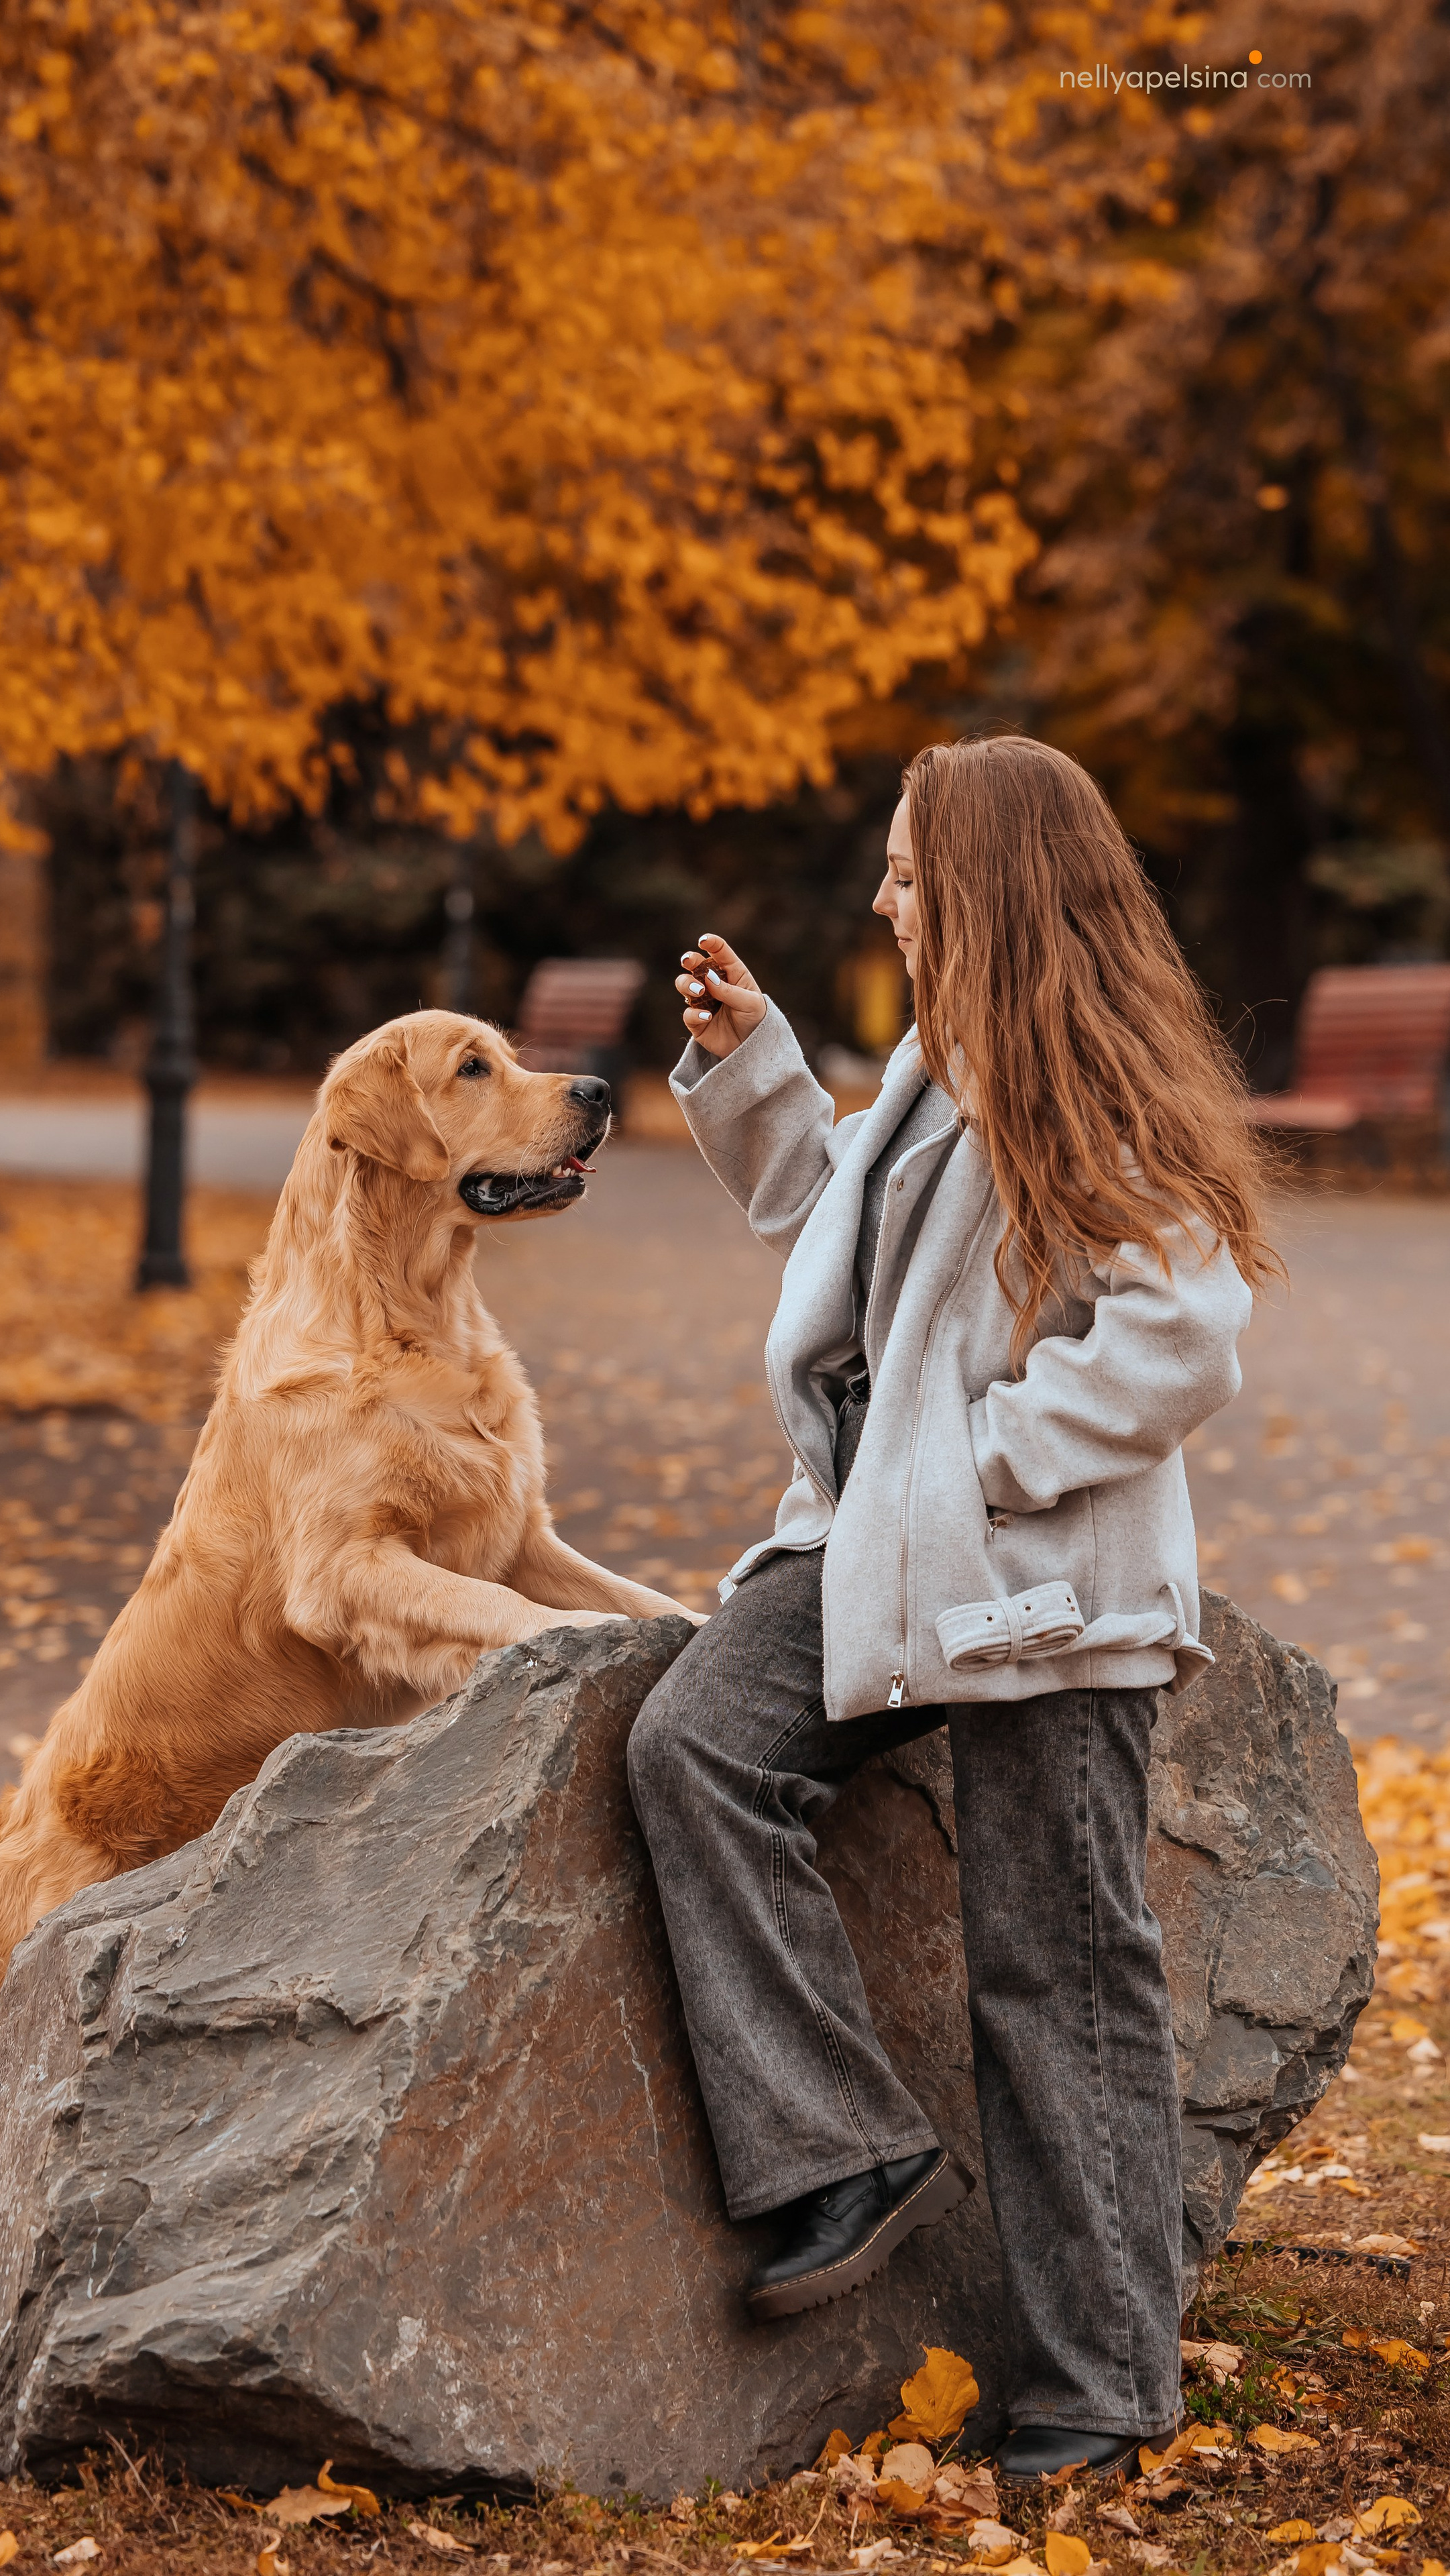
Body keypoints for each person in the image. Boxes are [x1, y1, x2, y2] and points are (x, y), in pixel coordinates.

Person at [625, 733, 1278, 2481]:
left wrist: (984, 1461)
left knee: (1056, 1974)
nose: (882, 897)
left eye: (908, 871)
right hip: (880, 1557)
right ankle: (837, 2144)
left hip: (1041, 1587)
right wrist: (756, 1077)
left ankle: (1105, 2382)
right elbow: (838, 1234)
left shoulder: (1090, 1075)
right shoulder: (935, 1062)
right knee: (696, 1745)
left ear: (981, 881)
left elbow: (1186, 1331)